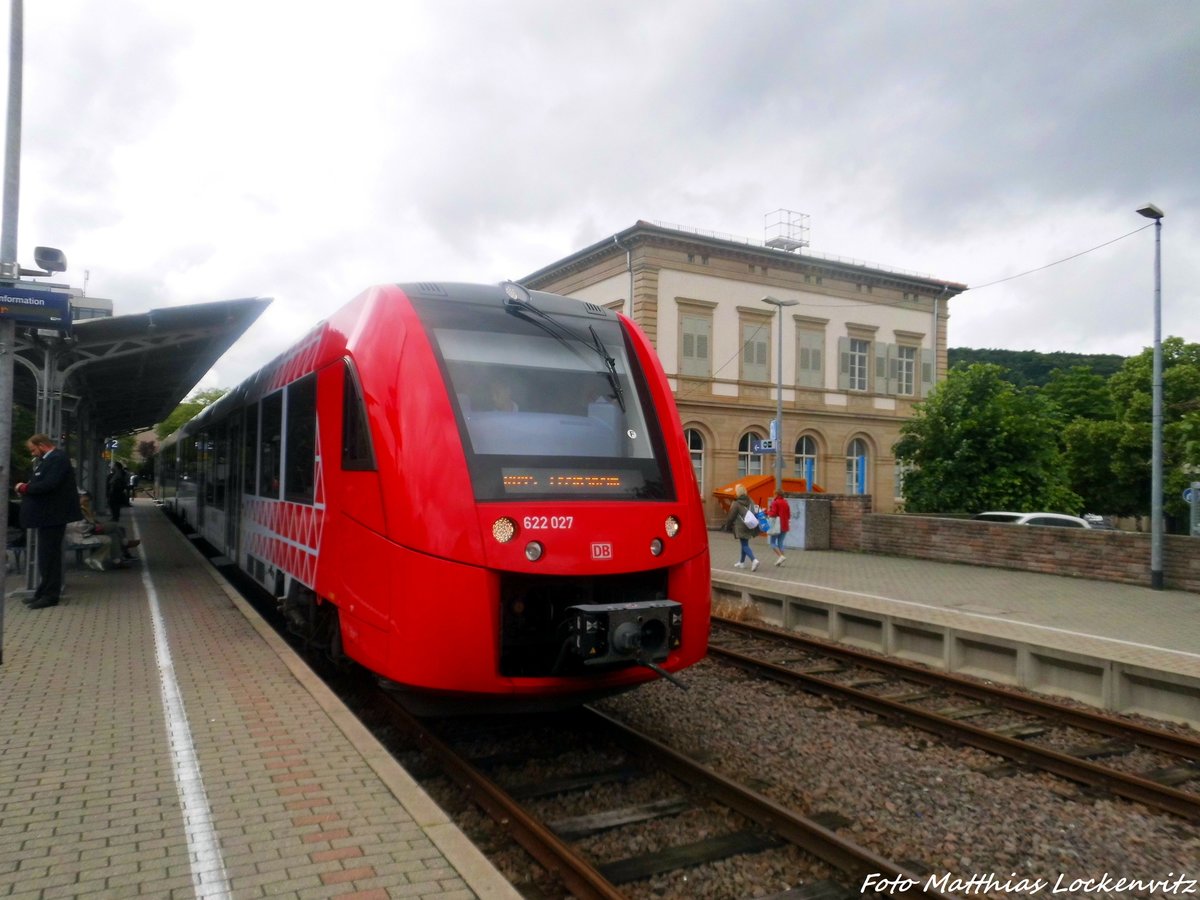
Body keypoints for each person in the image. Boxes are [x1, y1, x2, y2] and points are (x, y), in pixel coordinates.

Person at [14, 434, 83, 609]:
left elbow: (49, 484)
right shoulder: (50, 460)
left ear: (42, 445)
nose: (33, 454)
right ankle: (42, 592)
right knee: (46, 557)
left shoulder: (57, 459)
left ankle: (50, 595)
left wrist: (24, 487)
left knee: (49, 557)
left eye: (33, 450)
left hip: (53, 516)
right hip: (48, 517)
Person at [78, 490, 140, 568]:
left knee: (113, 535)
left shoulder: (84, 508)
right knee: (114, 525)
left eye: (88, 500)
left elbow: (90, 520)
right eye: (85, 500)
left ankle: (117, 561)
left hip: (91, 529)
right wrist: (95, 525)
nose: (87, 502)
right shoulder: (78, 509)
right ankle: (125, 543)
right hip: (87, 532)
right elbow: (82, 524)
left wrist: (97, 524)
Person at [724, 483, 760, 572]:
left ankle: (754, 560)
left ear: (738, 493)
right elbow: (755, 510)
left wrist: (727, 526)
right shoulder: (750, 500)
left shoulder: (736, 503)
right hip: (749, 525)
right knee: (744, 543)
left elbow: (731, 516)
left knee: (744, 545)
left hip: (740, 526)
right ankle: (741, 562)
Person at [767, 490, 791, 566]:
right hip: (785, 525)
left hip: (777, 525)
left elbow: (773, 513)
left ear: (776, 494)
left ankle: (781, 556)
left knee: (772, 543)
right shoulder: (786, 502)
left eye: (774, 494)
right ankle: (781, 561)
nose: (773, 495)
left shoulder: (775, 502)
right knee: (780, 543)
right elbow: (789, 515)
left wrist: (767, 512)